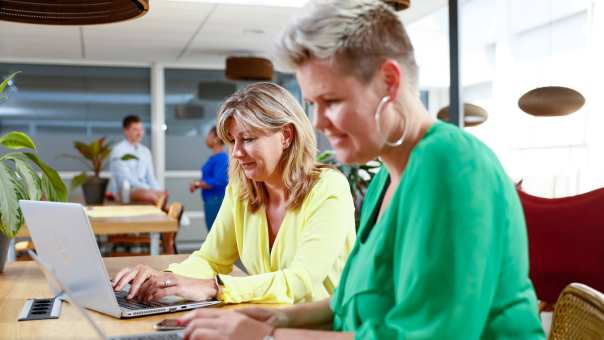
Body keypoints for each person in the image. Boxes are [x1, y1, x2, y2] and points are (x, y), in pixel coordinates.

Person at [178, 1, 546, 340]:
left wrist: (266, 337)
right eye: (313, 104)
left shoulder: (451, 167)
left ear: (389, 81)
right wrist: (279, 319)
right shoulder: (388, 173)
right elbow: (349, 303)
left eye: (332, 101)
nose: (319, 123)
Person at [112, 82, 356, 306]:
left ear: (286, 136)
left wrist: (213, 287)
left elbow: (301, 280)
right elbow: (211, 259)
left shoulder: (328, 188)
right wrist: (164, 280)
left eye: (248, 139)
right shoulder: (241, 190)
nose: (237, 153)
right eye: (233, 141)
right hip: (270, 321)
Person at [110, 115, 167, 205]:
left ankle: (164, 218)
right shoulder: (118, 151)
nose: (139, 133)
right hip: (126, 189)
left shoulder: (145, 151)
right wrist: (149, 189)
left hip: (144, 189)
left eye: (141, 129)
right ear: (126, 131)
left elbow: (150, 177)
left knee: (163, 194)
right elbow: (126, 179)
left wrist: (159, 190)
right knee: (151, 196)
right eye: (135, 129)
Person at [189, 126, 228, 231]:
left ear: (215, 138)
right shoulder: (214, 158)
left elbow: (219, 180)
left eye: (208, 135)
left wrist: (198, 184)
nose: (206, 138)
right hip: (210, 201)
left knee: (215, 235)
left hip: (216, 201)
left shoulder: (222, 158)